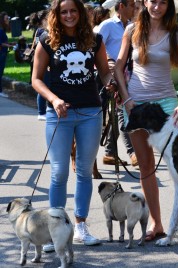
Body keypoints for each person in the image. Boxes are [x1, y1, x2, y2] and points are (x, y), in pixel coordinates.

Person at [114, 0, 178, 241]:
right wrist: (126, 98)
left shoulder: (177, 34)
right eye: (152, 1)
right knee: (146, 165)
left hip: (169, 105)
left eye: (162, 2)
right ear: (144, 2)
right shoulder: (131, 30)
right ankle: (156, 223)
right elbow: (118, 67)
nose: (157, 7)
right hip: (136, 105)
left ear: (169, 5)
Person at [31, 0, 117, 251]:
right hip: (59, 114)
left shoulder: (94, 39)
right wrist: (54, 99)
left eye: (73, 11)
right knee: (58, 172)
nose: (69, 15)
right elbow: (36, 79)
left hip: (91, 111)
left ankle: (80, 226)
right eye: (64, 12)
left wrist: (111, 82)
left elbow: (103, 72)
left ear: (81, 14)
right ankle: (55, 229)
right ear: (57, 15)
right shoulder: (47, 40)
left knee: (83, 171)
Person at [98, 0, 138, 167]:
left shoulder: (131, 26)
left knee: (117, 112)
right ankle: (132, 152)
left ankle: (109, 152)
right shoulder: (107, 25)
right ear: (121, 6)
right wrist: (109, 61)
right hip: (111, 78)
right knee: (122, 112)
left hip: (127, 75)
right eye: (131, 5)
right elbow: (95, 45)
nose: (134, 9)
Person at [32, 9, 50, 121]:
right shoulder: (41, 31)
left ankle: (45, 109)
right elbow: (37, 45)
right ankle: (41, 112)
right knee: (43, 85)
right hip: (43, 62)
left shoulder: (41, 31)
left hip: (47, 62)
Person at [0, 12, 15, 98]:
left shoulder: (2, 30)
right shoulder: (0, 30)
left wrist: (10, 43)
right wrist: (9, 45)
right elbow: (1, 43)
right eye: (6, 19)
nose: (8, 20)